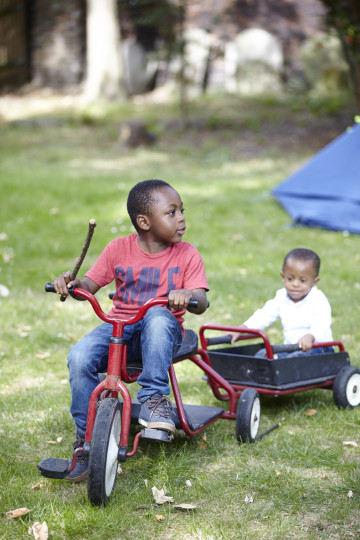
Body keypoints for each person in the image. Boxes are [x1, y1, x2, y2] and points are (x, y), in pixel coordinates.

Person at [54, 179, 209, 482]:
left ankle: (153, 401)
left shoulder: (187, 254)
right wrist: (72, 284)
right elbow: (89, 285)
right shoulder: (118, 249)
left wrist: (187, 296)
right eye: (172, 212)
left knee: (158, 314)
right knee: (79, 357)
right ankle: (86, 441)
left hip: (162, 333)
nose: (181, 219)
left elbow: (201, 300)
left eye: (181, 211)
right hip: (119, 329)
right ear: (144, 222)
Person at [226, 248, 333, 356]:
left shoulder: (317, 299)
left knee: (295, 358)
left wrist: (310, 336)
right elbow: (264, 315)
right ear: (283, 277)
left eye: (303, 280)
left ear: (314, 282)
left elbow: (321, 324)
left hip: (318, 348)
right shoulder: (281, 297)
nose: (295, 284)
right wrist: (242, 328)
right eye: (290, 279)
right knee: (262, 354)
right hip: (290, 347)